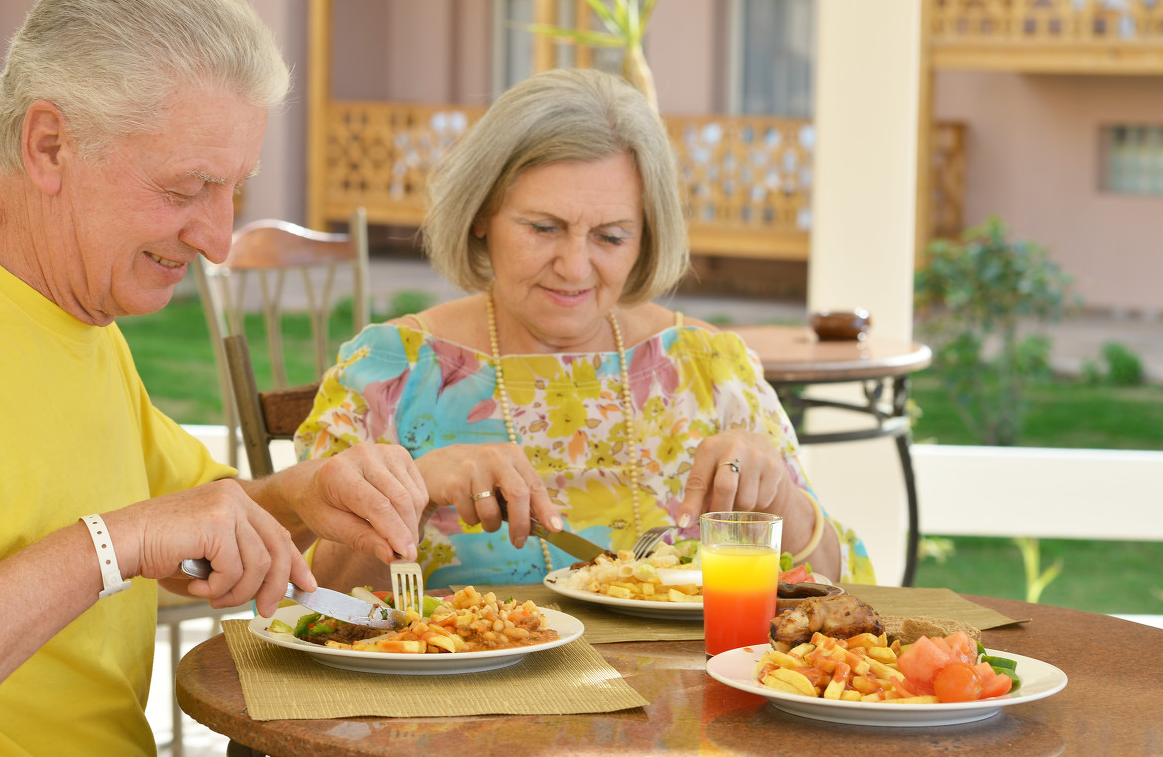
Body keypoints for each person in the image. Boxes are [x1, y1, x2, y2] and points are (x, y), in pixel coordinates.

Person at [0, 0, 427, 757]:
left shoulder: (79, 317)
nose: (216, 240)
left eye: (233, 191)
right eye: (184, 190)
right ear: (49, 147)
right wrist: (119, 544)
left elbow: (185, 521)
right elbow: (137, 535)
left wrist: (303, 493)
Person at [296, 67, 876, 592]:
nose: (575, 268)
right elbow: (306, 599)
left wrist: (780, 500)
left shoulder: (711, 369)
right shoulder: (386, 371)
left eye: (611, 236)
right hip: (455, 706)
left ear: (646, 236)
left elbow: (844, 587)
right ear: (480, 216)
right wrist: (413, 491)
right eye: (543, 228)